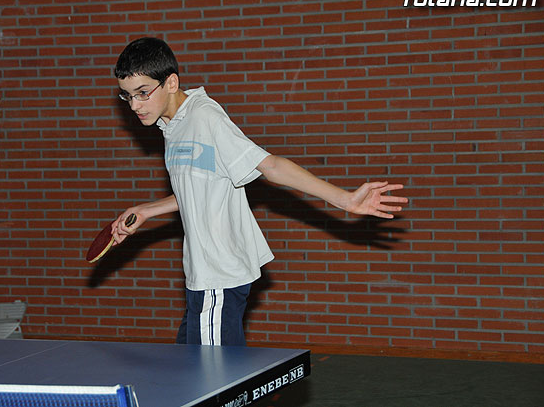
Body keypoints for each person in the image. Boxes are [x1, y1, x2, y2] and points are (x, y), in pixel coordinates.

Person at [111, 37, 408, 346]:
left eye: (142, 93)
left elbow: (271, 166)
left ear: (171, 83)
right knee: (192, 366)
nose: (134, 105)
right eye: (127, 96)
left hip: (219, 275)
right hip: (203, 276)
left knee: (210, 372)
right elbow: (202, 188)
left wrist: (343, 199)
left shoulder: (205, 118)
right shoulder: (172, 126)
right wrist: (146, 210)